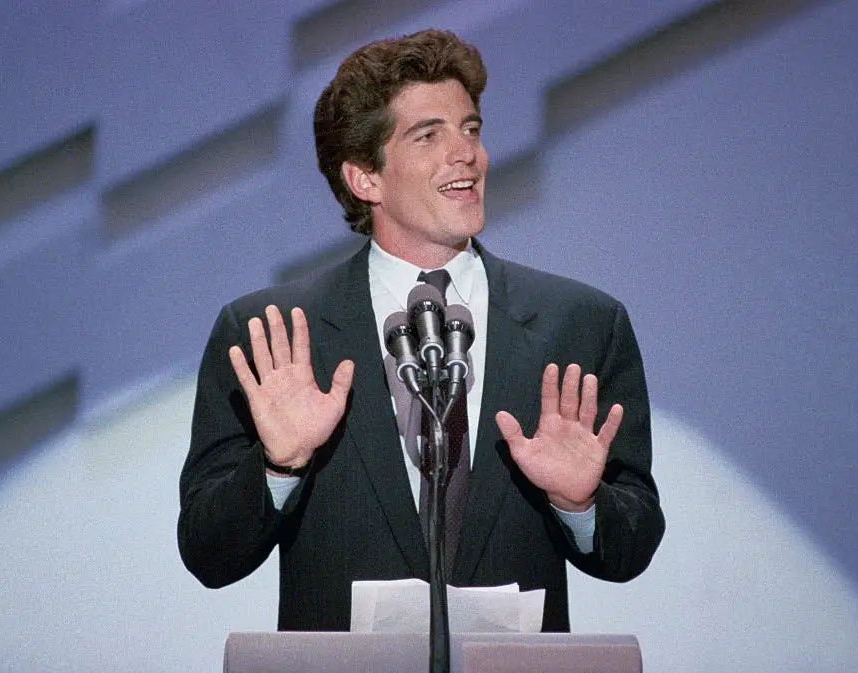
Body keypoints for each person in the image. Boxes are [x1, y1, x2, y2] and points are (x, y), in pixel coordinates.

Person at [178, 29, 664, 632]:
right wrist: (279, 467)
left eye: (471, 129)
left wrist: (580, 504)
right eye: (429, 135)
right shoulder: (269, 334)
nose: (467, 154)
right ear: (365, 178)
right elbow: (208, 555)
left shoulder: (583, 323)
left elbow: (631, 549)